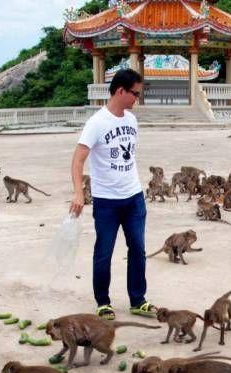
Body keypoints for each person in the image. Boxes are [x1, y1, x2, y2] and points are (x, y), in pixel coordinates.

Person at [70, 68, 156, 321]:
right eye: (135, 94)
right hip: (107, 201)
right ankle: (103, 302)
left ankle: (138, 300)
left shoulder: (131, 120)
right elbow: (77, 161)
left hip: (134, 198)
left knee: (138, 249)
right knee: (104, 251)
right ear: (120, 91)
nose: (137, 99)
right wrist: (78, 193)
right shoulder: (96, 123)